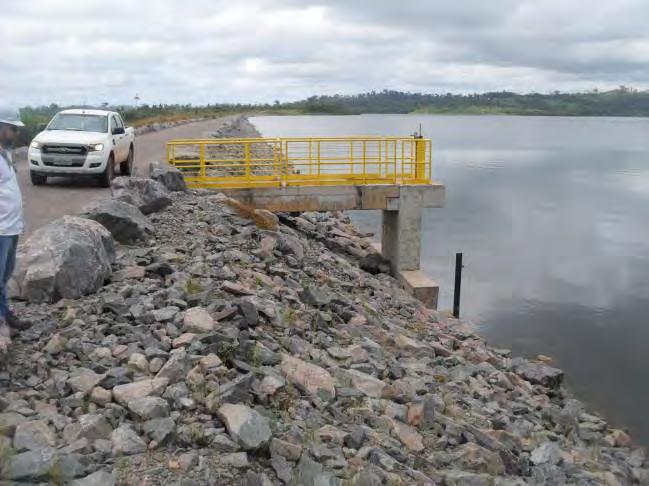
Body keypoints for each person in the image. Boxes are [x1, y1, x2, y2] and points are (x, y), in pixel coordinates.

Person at [0, 108, 31, 355]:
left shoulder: (5, 154)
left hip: (10, 228)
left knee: (4, 277)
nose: (16, 133)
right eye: (13, 128)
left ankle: (5, 315)